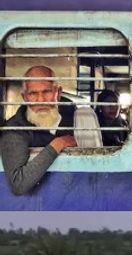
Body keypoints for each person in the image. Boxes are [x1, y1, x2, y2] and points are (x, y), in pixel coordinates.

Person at [0, 66, 76, 195]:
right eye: (33, 93)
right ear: (24, 97)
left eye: (47, 92)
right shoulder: (15, 130)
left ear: (58, 92)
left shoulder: (71, 113)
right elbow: (18, 183)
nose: (41, 100)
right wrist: (57, 144)